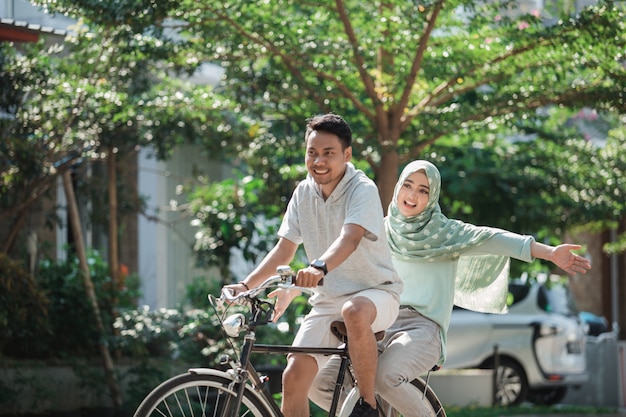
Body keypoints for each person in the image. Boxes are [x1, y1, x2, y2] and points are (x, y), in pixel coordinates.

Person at [309, 159, 591, 416]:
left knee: (385, 378)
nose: (412, 195)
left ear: (432, 197)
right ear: (397, 189)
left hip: (423, 328)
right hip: (378, 325)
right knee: (319, 383)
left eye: (423, 190)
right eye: (407, 185)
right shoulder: (378, 231)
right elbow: (343, 265)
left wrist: (550, 252)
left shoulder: (447, 233)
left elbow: (494, 238)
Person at [223, 113, 403, 417]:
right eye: (312, 152)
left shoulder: (362, 188)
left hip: (377, 293)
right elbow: (284, 250)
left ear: (347, 154)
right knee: (293, 378)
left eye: (328, 153)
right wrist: (245, 285)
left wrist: (318, 268)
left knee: (354, 310)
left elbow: (350, 237)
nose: (318, 161)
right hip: (328, 301)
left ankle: (368, 407)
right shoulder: (303, 192)